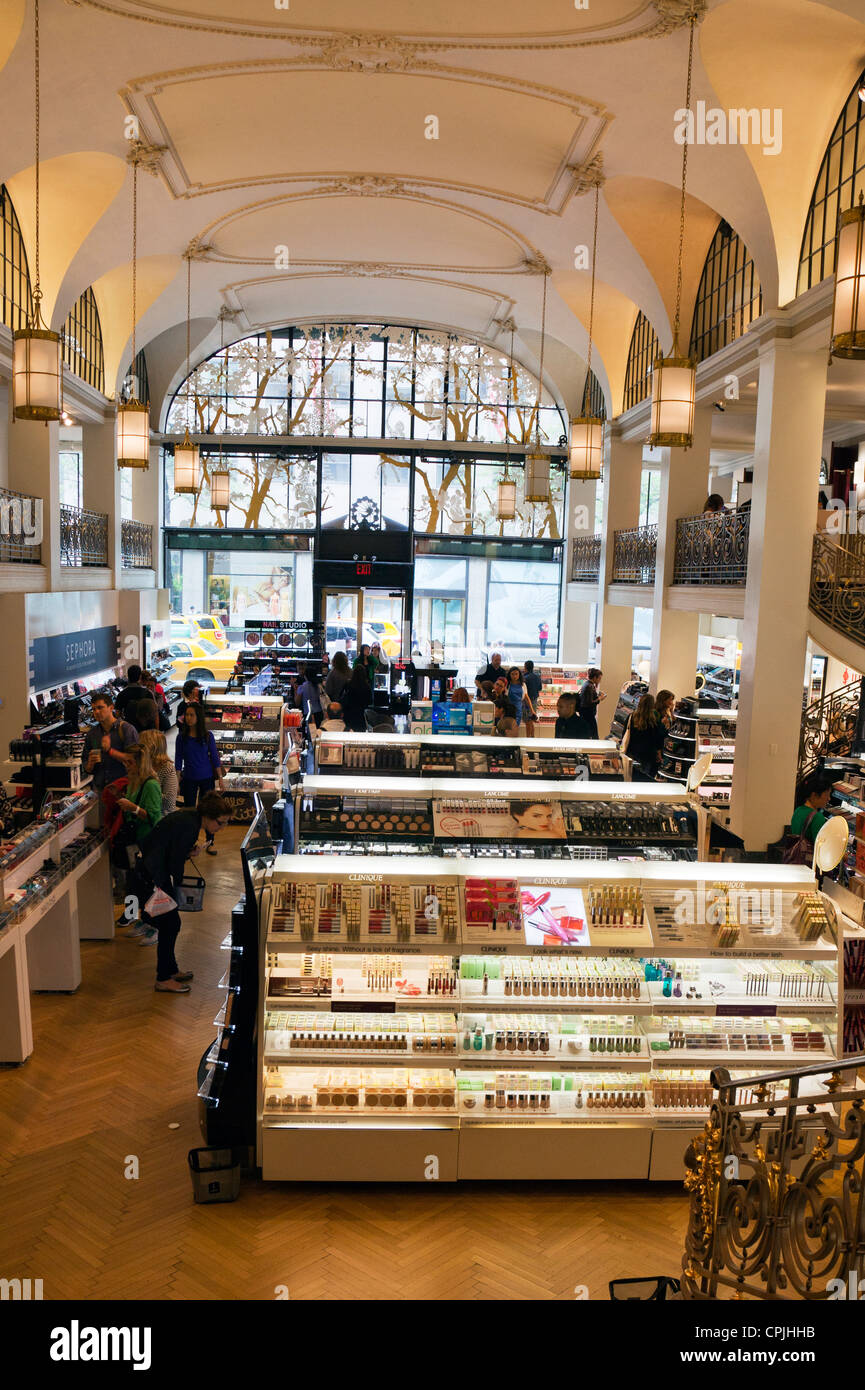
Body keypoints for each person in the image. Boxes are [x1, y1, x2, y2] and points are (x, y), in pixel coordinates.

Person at [137, 792, 231, 992]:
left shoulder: (190, 818)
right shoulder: (189, 825)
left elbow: (171, 849)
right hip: (154, 877)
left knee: (171, 924)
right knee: (169, 924)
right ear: (209, 816)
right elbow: (173, 861)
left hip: (154, 873)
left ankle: (170, 970)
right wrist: (176, 881)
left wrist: (187, 853)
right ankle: (163, 978)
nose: (222, 828)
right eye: (221, 823)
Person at [174, 703, 225, 854]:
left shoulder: (207, 736)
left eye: (192, 715)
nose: (188, 718)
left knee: (209, 810)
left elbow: (215, 758)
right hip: (189, 778)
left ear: (198, 717)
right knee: (190, 811)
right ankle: (191, 842)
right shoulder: (181, 737)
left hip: (207, 778)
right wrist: (176, 782)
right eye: (186, 715)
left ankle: (210, 841)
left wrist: (220, 778)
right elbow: (178, 761)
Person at [81, 691, 138, 791]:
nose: (96, 712)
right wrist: (90, 764)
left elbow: (133, 760)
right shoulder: (92, 734)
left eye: (100, 707)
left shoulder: (126, 729)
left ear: (111, 707)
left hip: (124, 789)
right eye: (94, 709)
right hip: (102, 790)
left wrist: (109, 750)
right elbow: (87, 767)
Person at [115, 745, 163, 846]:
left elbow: (153, 818)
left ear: (141, 763)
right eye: (125, 761)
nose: (126, 765)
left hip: (146, 839)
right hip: (133, 836)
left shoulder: (151, 784)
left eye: (130, 762)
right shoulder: (133, 779)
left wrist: (133, 808)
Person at [621, 693, 665, 781]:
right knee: (647, 778)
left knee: (633, 776)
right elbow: (659, 738)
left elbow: (625, 733)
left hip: (633, 752)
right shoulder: (654, 719)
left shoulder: (632, 716)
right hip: (649, 753)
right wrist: (659, 752)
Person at [138, 729, 178, 814]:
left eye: (142, 746)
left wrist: (147, 793)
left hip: (162, 817)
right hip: (144, 815)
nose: (139, 749)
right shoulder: (142, 765)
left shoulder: (167, 768)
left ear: (153, 748)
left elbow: (169, 801)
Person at [341, 663, 373, 732]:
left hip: (348, 714)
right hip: (360, 715)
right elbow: (370, 701)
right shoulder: (366, 686)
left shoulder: (348, 684)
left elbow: (342, 697)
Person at [578, 669, 605, 739]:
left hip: (585, 714)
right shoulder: (590, 686)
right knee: (594, 736)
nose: (600, 680)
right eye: (599, 678)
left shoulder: (586, 684)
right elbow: (589, 703)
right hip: (588, 715)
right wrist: (600, 698)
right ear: (595, 677)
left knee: (588, 735)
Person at [296, 664, 324, 728]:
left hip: (308, 713)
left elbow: (297, 702)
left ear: (306, 676)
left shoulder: (302, 687)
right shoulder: (319, 686)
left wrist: (295, 690)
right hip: (319, 713)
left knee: (310, 733)